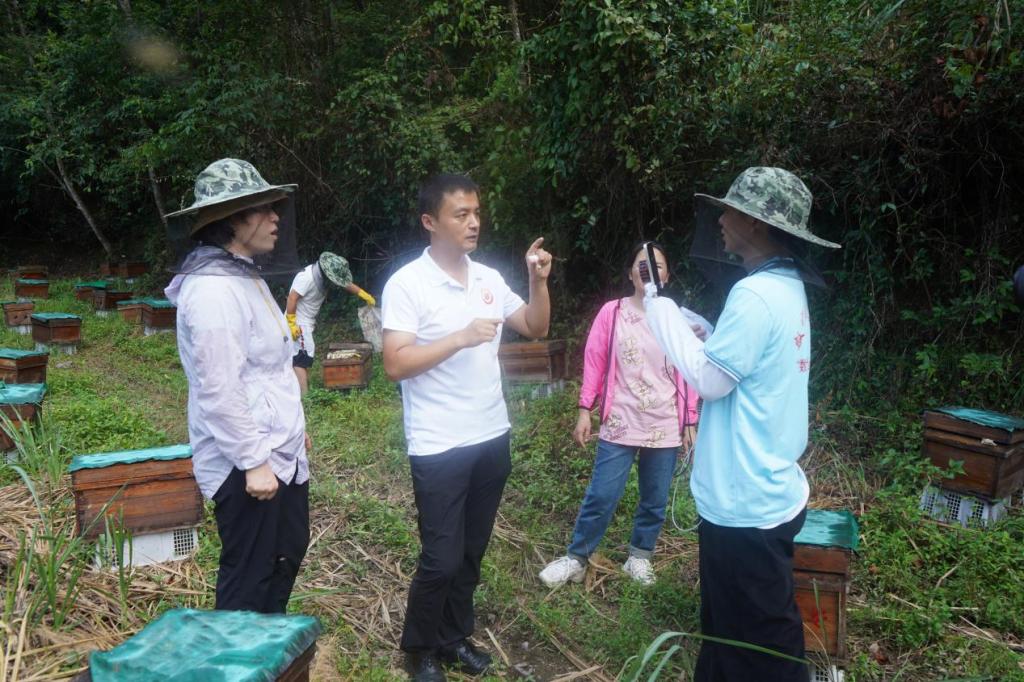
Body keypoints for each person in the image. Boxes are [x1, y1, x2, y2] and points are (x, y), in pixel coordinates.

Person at [642, 167, 841, 681]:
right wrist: (703, 330)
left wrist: (658, 309)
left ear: (756, 223)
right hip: (766, 486)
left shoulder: (755, 295)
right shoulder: (783, 287)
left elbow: (711, 381)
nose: (721, 220)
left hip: (744, 501)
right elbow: (748, 363)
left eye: (730, 211)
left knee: (763, 643)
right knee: (729, 628)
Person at [381, 173, 552, 682]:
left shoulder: (489, 279)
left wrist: (538, 280)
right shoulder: (407, 283)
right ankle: (420, 649)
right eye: (461, 214)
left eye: (476, 212)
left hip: (490, 434)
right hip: (438, 443)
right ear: (430, 221)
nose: (474, 222)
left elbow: (536, 326)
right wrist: (458, 337)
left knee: (471, 552)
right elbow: (395, 363)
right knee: (441, 557)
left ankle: (454, 638)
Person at [164, 158, 312, 613]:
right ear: (231, 219)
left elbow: (269, 369)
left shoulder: (242, 274)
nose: (275, 217)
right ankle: (236, 652)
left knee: (285, 554)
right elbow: (219, 389)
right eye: (263, 209)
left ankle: (268, 648)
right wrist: (253, 461)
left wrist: (293, 430)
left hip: (278, 450)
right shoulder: (212, 290)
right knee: (250, 575)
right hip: (245, 462)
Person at [538, 242, 700, 588]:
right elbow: (594, 361)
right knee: (602, 495)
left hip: (665, 422)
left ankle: (639, 557)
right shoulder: (612, 313)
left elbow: (690, 370)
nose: (649, 270)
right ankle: (577, 557)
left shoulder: (677, 318)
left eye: (657, 265)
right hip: (620, 420)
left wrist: (690, 420)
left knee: (655, 500)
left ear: (667, 276)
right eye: (642, 264)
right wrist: (585, 409)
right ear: (630, 273)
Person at [286, 251, 376, 394]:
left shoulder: (323, 276)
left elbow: (345, 283)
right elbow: (292, 298)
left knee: (301, 357)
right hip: (299, 322)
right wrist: (291, 323)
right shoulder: (306, 278)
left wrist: (364, 295)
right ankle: (305, 396)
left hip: (307, 321)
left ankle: (297, 390)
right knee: (301, 359)